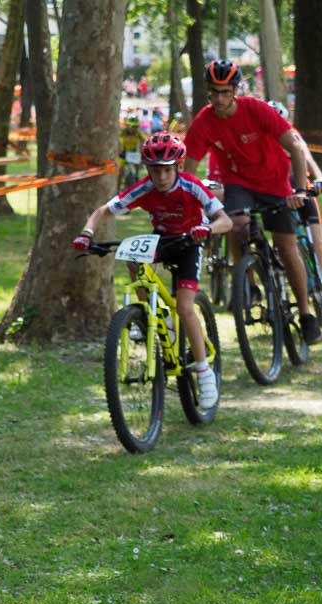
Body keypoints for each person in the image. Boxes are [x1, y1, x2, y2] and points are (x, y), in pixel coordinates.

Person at [73, 132, 232, 410]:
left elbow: (225, 221)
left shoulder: (192, 186)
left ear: (178, 167)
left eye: (167, 170)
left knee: (185, 307)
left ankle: (204, 371)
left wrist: (207, 229)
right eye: (155, 170)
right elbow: (102, 211)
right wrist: (86, 233)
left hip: (190, 242)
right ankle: (150, 316)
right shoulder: (144, 187)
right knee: (132, 257)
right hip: (162, 239)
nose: (161, 177)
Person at [182, 59, 322, 344]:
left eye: (225, 92)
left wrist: (299, 190)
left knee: (286, 247)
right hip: (239, 184)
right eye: (214, 92)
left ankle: (306, 313)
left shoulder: (256, 109)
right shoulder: (204, 122)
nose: (219, 99)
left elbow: (295, 147)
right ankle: (248, 284)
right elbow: (189, 172)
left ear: (235, 90)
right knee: (236, 224)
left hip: (276, 183)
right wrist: (188, 204)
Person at [267, 100, 322, 313]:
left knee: (318, 241)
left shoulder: (292, 136)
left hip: (301, 191)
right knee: (280, 246)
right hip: (278, 195)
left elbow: (307, 157)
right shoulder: (261, 142)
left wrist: (319, 178)